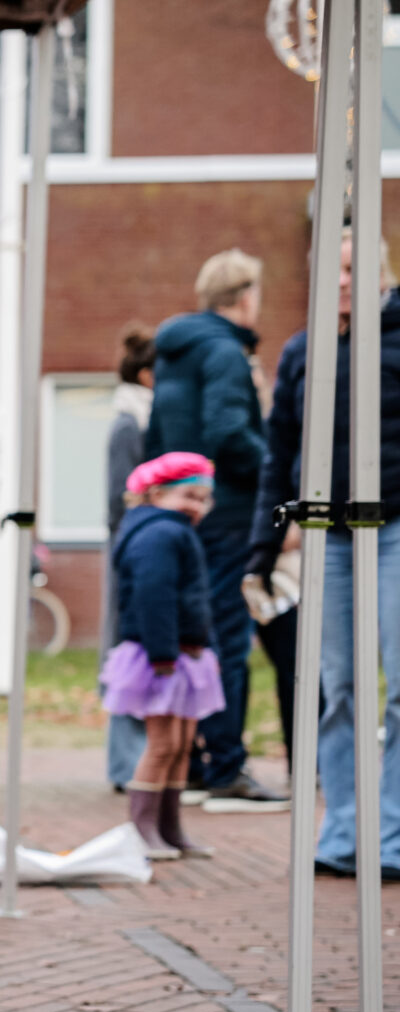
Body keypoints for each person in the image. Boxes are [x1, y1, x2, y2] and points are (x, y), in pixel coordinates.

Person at [251, 229, 400, 879]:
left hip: (395, 529)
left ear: (380, 272)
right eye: (329, 271)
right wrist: (260, 551)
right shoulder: (302, 351)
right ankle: (343, 832)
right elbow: (277, 454)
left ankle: (391, 836)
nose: (339, 281)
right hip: (330, 536)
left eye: (351, 268)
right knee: (339, 686)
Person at [144, 249, 287, 812]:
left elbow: (159, 438)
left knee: (193, 635)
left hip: (184, 512)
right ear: (246, 296)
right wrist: (276, 473)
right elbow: (228, 432)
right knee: (227, 637)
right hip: (227, 514)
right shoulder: (226, 352)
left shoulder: (174, 352)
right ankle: (227, 768)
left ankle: (197, 765)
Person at [104, 453, 224, 858]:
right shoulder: (158, 534)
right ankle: (142, 832)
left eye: (204, 499)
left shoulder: (177, 531)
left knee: (182, 744)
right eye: (188, 495)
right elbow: (153, 596)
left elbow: (195, 601)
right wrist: (162, 656)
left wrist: (204, 647)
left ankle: (170, 829)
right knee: (162, 744)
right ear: (156, 494)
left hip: (185, 653)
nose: (197, 507)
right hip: (160, 656)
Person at [104, 324, 156, 791]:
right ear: (146, 376)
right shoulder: (129, 424)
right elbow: (119, 499)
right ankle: (125, 766)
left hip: (139, 545)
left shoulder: (142, 419)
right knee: (128, 648)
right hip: (132, 551)